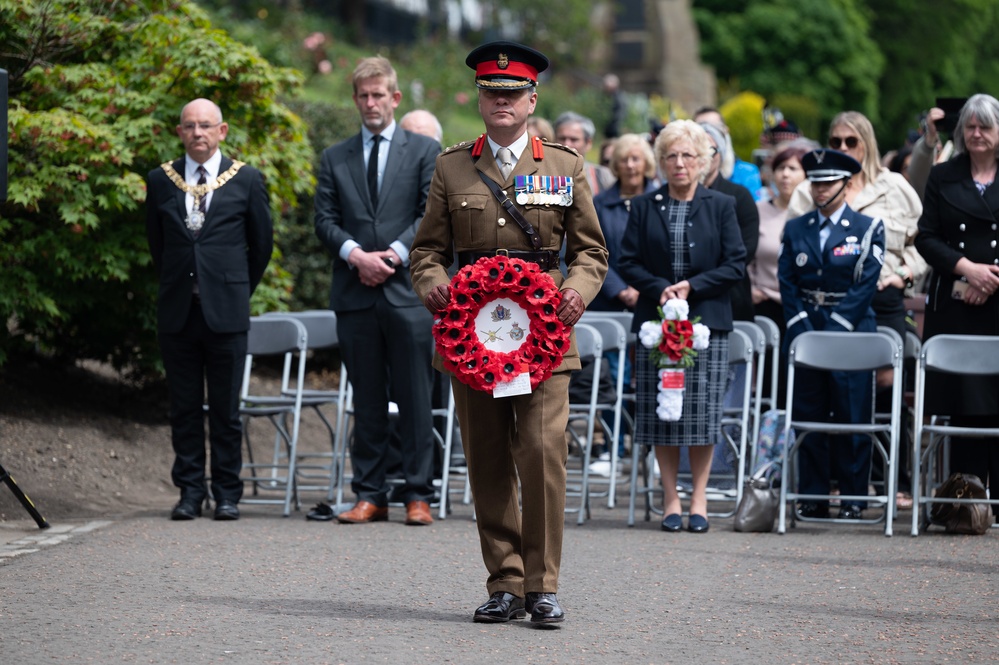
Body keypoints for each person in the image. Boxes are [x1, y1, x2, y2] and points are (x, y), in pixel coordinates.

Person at [409, 41, 608, 625]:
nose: (501, 100)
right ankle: (505, 582)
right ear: (480, 98)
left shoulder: (565, 165)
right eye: (492, 92)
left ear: (531, 98)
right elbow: (427, 250)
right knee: (488, 458)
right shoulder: (451, 166)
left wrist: (576, 291)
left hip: (545, 337)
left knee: (544, 454)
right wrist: (433, 286)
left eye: (512, 92)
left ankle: (542, 585)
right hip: (474, 338)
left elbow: (592, 251)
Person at [314, 56, 441, 526]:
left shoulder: (425, 152)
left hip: (407, 293)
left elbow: (431, 214)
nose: (370, 103)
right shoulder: (335, 156)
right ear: (355, 100)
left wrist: (391, 255)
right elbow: (323, 220)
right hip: (355, 293)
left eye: (378, 95)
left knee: (414, 398)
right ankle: (369, 494)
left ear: (395, 98)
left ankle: (417, 495)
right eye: (362, 96)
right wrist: (355, 255)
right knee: (367, 400)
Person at [787, 112, 925, 508]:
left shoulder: (895, 186)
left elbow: (922, 242)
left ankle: (886, 481)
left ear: (867, 142)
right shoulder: (808, 190)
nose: (843, 147)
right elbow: (798, 248)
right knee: (825, 392)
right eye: (836, 141)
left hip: (881, 300)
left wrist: (903, 272)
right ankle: (825, 486)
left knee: (879, 390)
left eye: (851, 141)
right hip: (824, 305)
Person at [145, 98, 274, 521]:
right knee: (182, 407)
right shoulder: (161, 180)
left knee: (225, 410)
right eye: (189, 126)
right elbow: (158, 248)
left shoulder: (247, 179)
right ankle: (188, 492)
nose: (197, 132)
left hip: (226, 313)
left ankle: (226, 493)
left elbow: (261, 246)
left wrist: (234, 290)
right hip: (178, 312)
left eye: (206, 125)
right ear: (180, 132)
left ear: (222, 131)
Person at [618, 119, 746, 534]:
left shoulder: (721, 205)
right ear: (661, 162)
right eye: (670, 156)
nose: (679, 163)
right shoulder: (643, 206)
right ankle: (670, 498)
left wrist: (693, 286)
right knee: (662, 415)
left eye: (688, 155)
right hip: (657, 320)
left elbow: (735, 263)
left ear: (704, 160)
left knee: (702, 413)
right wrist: (661, 290)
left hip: (707, 321)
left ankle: (699, 498)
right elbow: (627, 262)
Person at [778, 149, 886, 520]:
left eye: (828, 183)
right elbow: (787, 281)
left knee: (852, 414)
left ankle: (855, 497)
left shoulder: (868, 227)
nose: (820, 190)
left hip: (851, 330)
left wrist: (836, 327)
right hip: (807, 327)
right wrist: (802, 327)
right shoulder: (796, 228)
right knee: (809, 412)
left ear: (847, 184)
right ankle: (813, 496)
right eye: (816, 183)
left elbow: (866, 282)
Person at [915, 93, 999, 520]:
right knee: (965, 403)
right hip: (956, 302)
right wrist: (967, 268)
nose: (977, 133)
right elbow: (926, 236)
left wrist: (991, 277)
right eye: (970, 126)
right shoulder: (944, 176)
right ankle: (965, 500)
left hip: (997, 304)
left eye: (985, 126)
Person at [586, 133, 659, 475]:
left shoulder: (660, 198)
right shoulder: (602, 203)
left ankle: (654, 451)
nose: (631, 165)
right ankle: (613, 450)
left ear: (647, 162)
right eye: (624, 159)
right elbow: (594, 250)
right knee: (614, 378)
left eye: (637, 158)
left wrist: (643, 288)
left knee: (654, 375)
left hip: (653, 301)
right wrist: (620, 289)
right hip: (611, 302)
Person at [748, 145, 810, 406]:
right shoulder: (758, 210)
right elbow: (745, 255)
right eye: (780, 168)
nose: (785, 175)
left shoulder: (813, 215)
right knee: (765, 384)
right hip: (764, 305)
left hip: (801, 306)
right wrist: (749, 287)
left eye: (793, 168)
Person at [694, 106, 764, 201]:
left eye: (715, 128)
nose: (708, 132)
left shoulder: (747, 173)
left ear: (725, 130)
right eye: (701, 127)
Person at [554, 111, 616, 196]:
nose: (567, 144)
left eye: (574, 139)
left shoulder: (603, 177)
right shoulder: (543, 173)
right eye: (562, 138)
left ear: (588, 143)